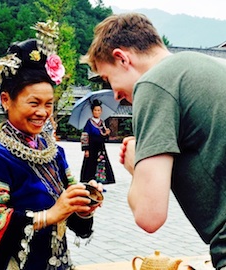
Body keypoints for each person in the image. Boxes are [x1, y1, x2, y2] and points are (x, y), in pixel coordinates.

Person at [82, 12, 226, 270]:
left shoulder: (154, 83)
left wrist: (137, 166)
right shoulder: (210, 67)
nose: (115, 95)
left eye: (108, 79)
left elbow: (150, 216)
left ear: (122, 58)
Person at [0, 20, 103, 270]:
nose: (43, 112)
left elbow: (68, 212)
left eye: (48, 103)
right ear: (6, 100)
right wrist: (51, 214)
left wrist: (83, 206)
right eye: (34, 103)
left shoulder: (53, 150)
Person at [80, 99, 115, 186]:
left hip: (100, 148)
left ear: (101, 111)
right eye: (95, 110)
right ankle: (90, 183)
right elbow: (85, 136)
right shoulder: (89, 122)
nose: (97, 112)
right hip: (91, 147)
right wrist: (86, 149)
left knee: (101, 165)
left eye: (99, 110)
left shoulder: (102, 122)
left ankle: (100, 182)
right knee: (90, 166)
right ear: (92, 111)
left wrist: (107, 134)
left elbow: (104, 137)